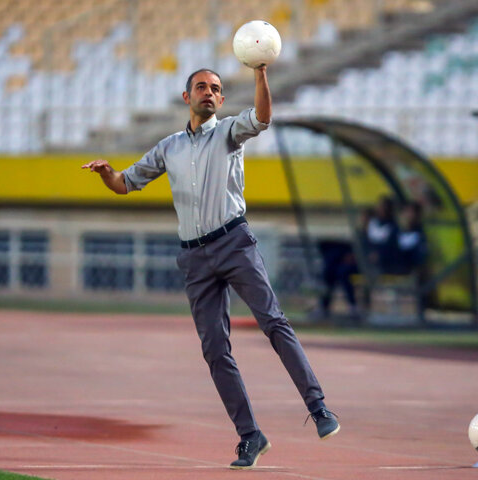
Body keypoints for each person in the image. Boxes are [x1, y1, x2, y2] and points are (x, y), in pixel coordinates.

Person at [82, 67, 339, 469]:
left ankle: (319, 407)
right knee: (215, 350)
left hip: (234, 243)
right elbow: (125, 184)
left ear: (221, 101)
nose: (209, 92)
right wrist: (107, 174)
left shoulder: (230, 133)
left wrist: (260, 74)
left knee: (274, 322)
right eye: (201, 87)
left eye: (216, 89)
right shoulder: (168, 147)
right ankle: (250, 436)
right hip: (194, 258)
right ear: (187, 97)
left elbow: (264, 117)